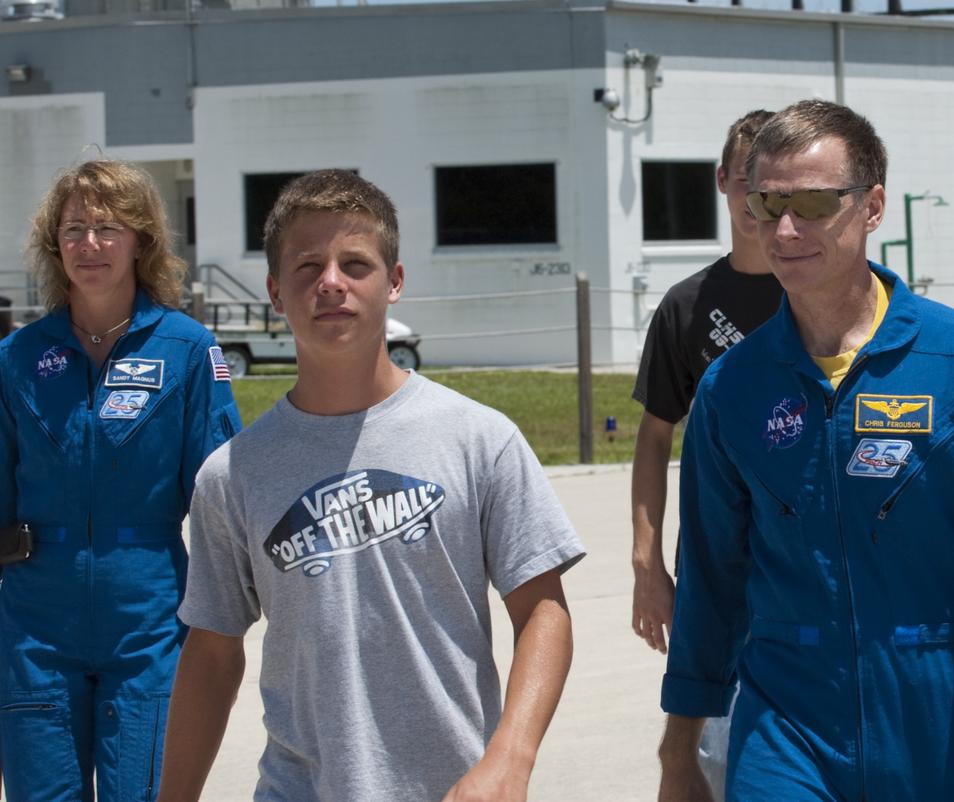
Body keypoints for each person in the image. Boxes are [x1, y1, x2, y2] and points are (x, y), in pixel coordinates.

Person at [657, 100, 954, 802]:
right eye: (768, 203)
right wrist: (679, 751)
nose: (786, 228)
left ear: (873, 205)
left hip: (943, 717)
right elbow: (710, 574)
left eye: (814, 203)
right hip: (786, 722)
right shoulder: (730, 388)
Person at [156, 170, 585, 802]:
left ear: (395, 282)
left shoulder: (478, 438)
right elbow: (212, 656)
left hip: (455, 789)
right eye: (307, 266)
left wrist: (510, 758)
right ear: (275, 291)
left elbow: (543, 611)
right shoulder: (232, 473)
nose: (331, 282)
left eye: (355, 263)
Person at [0, 160, 242, 801]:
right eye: (74, 228)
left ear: (142, 239)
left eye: (108, 226)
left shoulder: (189, 351)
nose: (90, 244)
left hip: (151, 615)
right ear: (55, 244)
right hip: (34, 621)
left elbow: (222, 499)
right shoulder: (16, 359)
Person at [631, 109, 782, 798]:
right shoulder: (688, 306)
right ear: (722, 180)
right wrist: (647, 563)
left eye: (771, 181)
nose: (756, 196)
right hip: (717, 567)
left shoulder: (818, 291)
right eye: (744, 177)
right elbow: (654, 436)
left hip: (811, 563)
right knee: (712, 752)